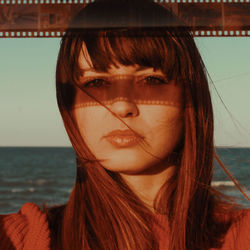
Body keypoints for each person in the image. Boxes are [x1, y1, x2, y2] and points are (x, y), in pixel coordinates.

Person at [0, 0, 249, 249]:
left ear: (189, 98)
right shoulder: (24, 238)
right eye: (96, 83)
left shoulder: (239, 236)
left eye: (151, 80)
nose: (121, 107)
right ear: (70, 107)